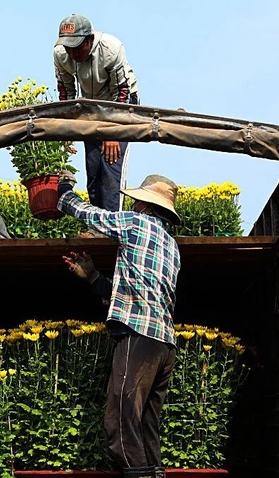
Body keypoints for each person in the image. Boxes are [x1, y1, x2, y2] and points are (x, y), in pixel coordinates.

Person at [57, 170, 181, 478]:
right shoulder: (172, 246)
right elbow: (139, 290)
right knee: (146, 425)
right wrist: (94, 277)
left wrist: (64, 191)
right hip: (165, 345)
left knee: (120, 421)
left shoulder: (136, 223)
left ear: (144, 204)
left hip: (139, 337)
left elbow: (89, 214)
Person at [53, 13, 139, 217]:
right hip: (90, 108)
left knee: (110, 162)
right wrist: (67, 128)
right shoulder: (60, 55)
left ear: (89, 39)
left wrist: (113, 133)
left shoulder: (111, 49)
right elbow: (66, 92)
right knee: (93, 169)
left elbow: (122, 93)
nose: (72, 53)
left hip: (120, 106)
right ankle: (97, 223)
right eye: (68, 47)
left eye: (76, 47)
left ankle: (112, 222)